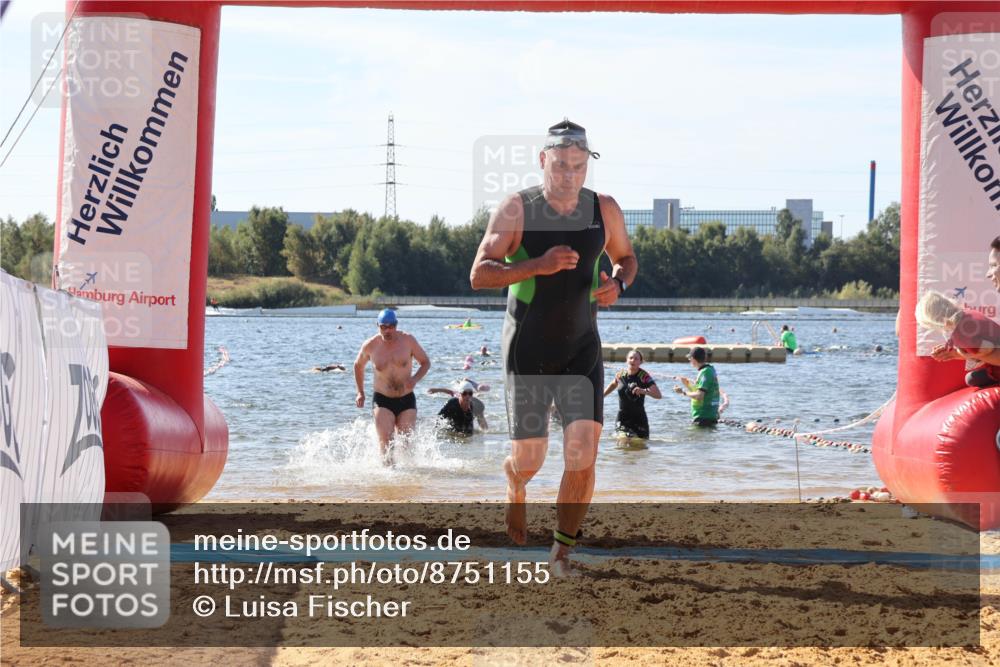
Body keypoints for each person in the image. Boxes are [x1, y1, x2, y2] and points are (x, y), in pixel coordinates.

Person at [469, 118, 637, 573]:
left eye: (578, 166)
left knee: (584, 451)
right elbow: (479, 273)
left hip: (581, 348)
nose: (569, 175)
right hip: (528, 348)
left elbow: (626, 258)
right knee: (532, 458)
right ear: (543, 160)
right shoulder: (516, 209)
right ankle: (515, 481)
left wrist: (619, 285)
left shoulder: (604, 209)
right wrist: (537, 265)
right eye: (560, 165)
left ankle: (561, 552)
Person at [354, 309, 431, 464]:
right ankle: (388, 476)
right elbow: (357, 366)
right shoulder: (371, 345)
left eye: (391, 326)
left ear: (396, 325)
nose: (388, 330)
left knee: (407, 443)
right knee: (386, 443)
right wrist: (360, 392)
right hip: (382, 399)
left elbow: (425, 362)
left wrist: (415, 379)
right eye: (384, 327)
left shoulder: (408, 340)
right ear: (378, 326)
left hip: (406, 398)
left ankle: (408, 476)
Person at [920, 291, 1000, 387]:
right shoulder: (967, 313)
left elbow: (988, 348)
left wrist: (961, 353)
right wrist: (954, 349)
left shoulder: (960, 335)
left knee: (971, 379)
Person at [603, 349, 661, 439]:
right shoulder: (621, 374)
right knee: (623, 440)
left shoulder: (644, 376)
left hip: (639, 418)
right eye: (630, 358)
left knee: (641, 444)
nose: (633, 360)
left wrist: (643, 391)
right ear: (627, 360)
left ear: (640, 362)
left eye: (636, 359)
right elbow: (613, 384)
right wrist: (601, 397)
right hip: (623, 418)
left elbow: (658, 395)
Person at [673, 347, 721, 426]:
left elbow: (699, 396)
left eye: (689, 358)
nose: (689, 361)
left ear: (693, 359)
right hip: (709, 416)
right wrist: (687, 384)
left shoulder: (705, 372)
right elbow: (702, 392)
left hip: (703, 417)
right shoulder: (709, 369)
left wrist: (683, 392)